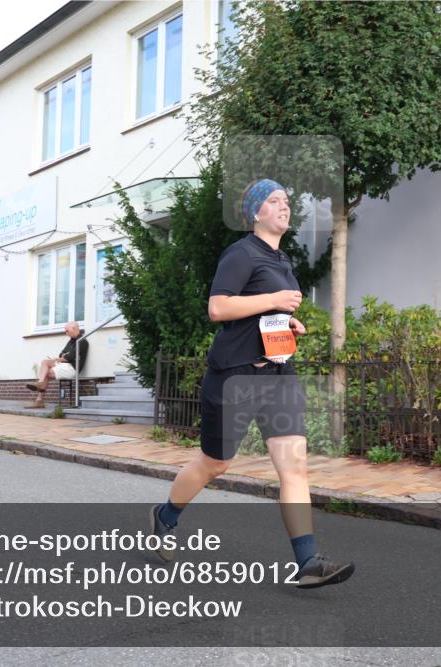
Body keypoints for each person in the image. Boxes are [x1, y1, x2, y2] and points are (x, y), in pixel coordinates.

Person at [148, 178, 355, 589]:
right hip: (235, 376)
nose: (284, 206)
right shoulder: (240, 254)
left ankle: (308, 561)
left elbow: (266, 314)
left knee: (294, 467)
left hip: (277, 374)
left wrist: (288, 323)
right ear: (256, 211)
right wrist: (274, 302)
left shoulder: (283, 261)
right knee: (216, 463)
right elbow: (219, 307)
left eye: (286, 200)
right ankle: (165, 516)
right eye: (275, 200)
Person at [25, 321, 87, 408]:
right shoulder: (71, 341)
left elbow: (69, 358)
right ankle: (40, 384)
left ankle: (39, 400)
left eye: (67, 331)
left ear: (74, 329)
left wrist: (63, 357)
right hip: (64, 365)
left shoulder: (82, 342)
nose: (66, 333)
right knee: (45, 362)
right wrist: (63, 356)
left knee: (46, 372)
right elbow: (61, 354)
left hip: (72, 368)